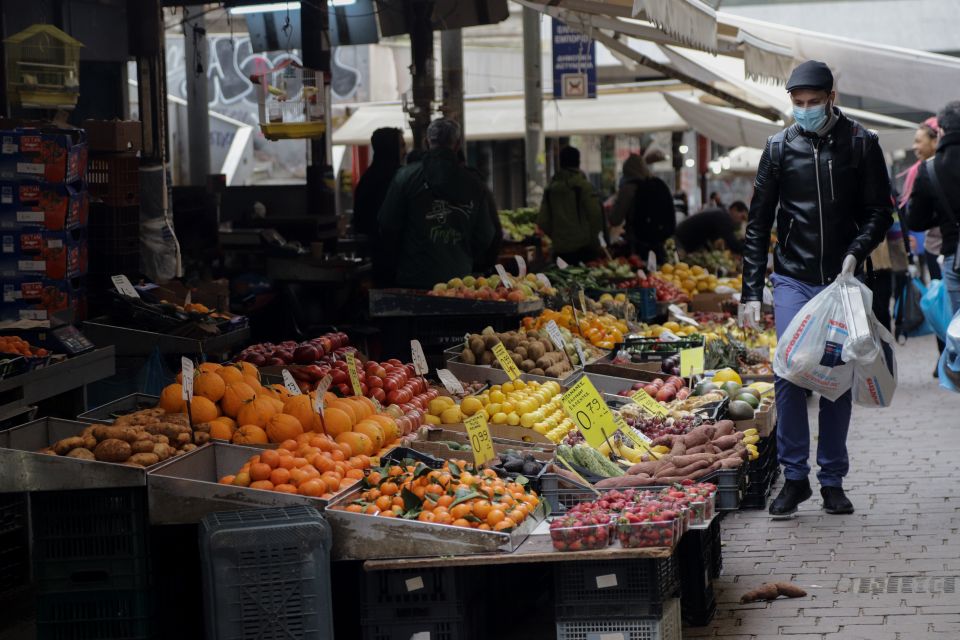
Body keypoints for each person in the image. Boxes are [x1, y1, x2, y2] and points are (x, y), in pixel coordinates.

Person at [738, 60, 893, 518]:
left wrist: (857, 249)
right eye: (797, 103)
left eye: (813, 102)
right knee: (788, 371)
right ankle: (793, 478)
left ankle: (831, 479)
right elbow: (758, 223)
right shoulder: (777, 147)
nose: (804, 110)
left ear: (831, 96)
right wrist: (750, 291)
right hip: (792, 277)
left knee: (835, 376)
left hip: (843, 280)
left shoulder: (863, 144)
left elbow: (880, 211)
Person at [377, 118, 496, 289]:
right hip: (459, 284)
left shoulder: (405, 177)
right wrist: (461, 256)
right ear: (457, 145)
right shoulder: (473, 183)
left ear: (427, 143)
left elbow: (387, 224)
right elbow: (485, 235)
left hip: (414, 280)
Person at [906, 102, 960, 323]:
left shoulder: (929, 169)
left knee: (957, 330)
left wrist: (944, 214)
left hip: (955, 258)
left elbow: (916, 221)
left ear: (941, 131)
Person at [899, 117, 945, 373]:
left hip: (939, 247)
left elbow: (915, 216)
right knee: (941, 304)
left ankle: (946, 356)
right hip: (935, 247)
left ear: (935, 139)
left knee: (941, 304)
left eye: (919, 140)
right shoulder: (920, 170)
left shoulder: (928, 170)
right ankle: (945, 355)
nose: (915, 146)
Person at [353, 128, 405, 286]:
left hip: (377, 257)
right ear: (392, 148)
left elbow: (359, 221)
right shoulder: (399, 179)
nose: (405, 151)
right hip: (398, 258)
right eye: (402, 146)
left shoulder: (367, 178)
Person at [538, 146, 603, 265]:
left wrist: (557, 237)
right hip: (584, 250)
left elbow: (542, 221)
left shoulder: (550, 190)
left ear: (560, 163)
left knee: (563, 282)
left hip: (560, 251)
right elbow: (596, 216)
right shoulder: (584, 187)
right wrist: (593, 240)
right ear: (578, 162)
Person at [609, 153, 675, 263]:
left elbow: (615, 219)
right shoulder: (657, 184)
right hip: (659, 242)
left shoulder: (628, 188)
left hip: (637, 242)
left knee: (640, 272)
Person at [673, 203, 746, 254]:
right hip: (680, 242)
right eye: (742, 217)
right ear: (734, 209)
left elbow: (710, 236)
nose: (741, 221)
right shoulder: (724, 218)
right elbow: (733, 245)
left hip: (680, 238)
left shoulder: (720, 213)